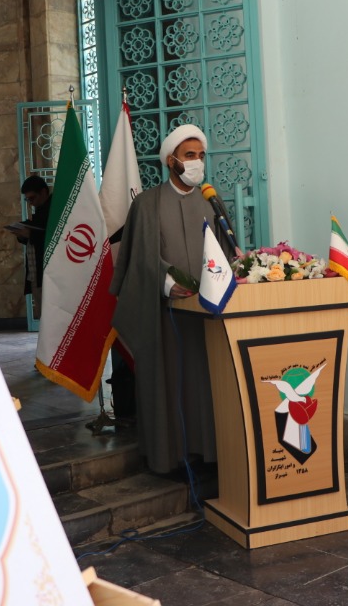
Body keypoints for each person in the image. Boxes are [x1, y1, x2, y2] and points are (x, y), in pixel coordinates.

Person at [109, 124, 232, 475]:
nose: (196, 162)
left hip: (206, 316)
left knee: (207, 384)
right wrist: (165, 282)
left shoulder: (211, 201)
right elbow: (139, 257)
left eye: (201, 155)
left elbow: (225, 254)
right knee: (169, 383)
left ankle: (211, 456)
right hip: (164, 317)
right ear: (171, 161)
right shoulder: (147, 204)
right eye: (189, 155)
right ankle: (171, 458)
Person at [8, 176, 51, 316]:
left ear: (43, 192)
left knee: (49, 317)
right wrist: (23, 235)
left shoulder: (54, 210)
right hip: (36, 273)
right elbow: (35, 237)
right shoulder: (40, 211)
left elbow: (54, 239)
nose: (31, 203)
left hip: (48, 275)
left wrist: (31, 234)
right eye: (28, 200)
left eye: (32, 198)